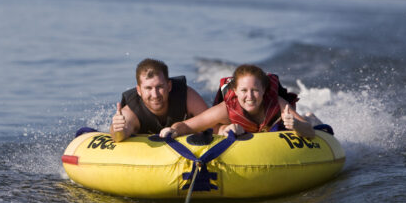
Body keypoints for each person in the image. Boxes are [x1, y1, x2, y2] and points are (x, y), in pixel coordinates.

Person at [159, 64, 315, 139]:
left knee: (306, 120)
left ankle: (310, 116)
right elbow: (187, 125)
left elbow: (310, 132)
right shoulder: (225, 109)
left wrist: (297, 124)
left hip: (277, 128)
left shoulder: (278, 104)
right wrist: (173, 130)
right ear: (234, 91)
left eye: (255, 90)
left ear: (264, 90)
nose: (250, 96)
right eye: (244, 91)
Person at [110, 58, 208, 142]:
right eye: (148, 88)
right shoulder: (131, 111)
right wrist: (118, 131)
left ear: (169, 86)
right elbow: (119, 135)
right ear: (139, 90)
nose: (155, 95)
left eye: (160, 87)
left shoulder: (186, 96)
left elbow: (212, 123)